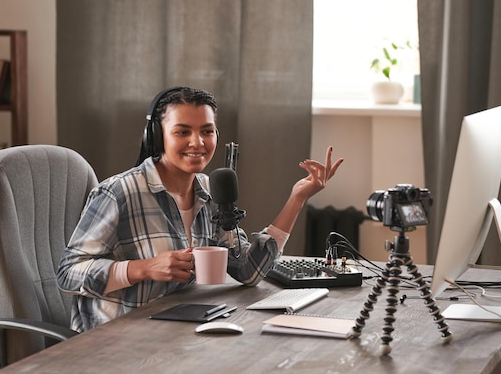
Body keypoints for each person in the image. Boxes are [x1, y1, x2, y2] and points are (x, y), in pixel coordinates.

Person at [57, 86, 343, 332]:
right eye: (182, 131)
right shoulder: (119, 192)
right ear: (157, 137)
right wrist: (143, 268)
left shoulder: (207, 189)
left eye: (207, 131)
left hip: (176, 330)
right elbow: (69, 274)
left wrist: (297, 199)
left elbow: (247, 270)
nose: (198, 142)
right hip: (115, 340)